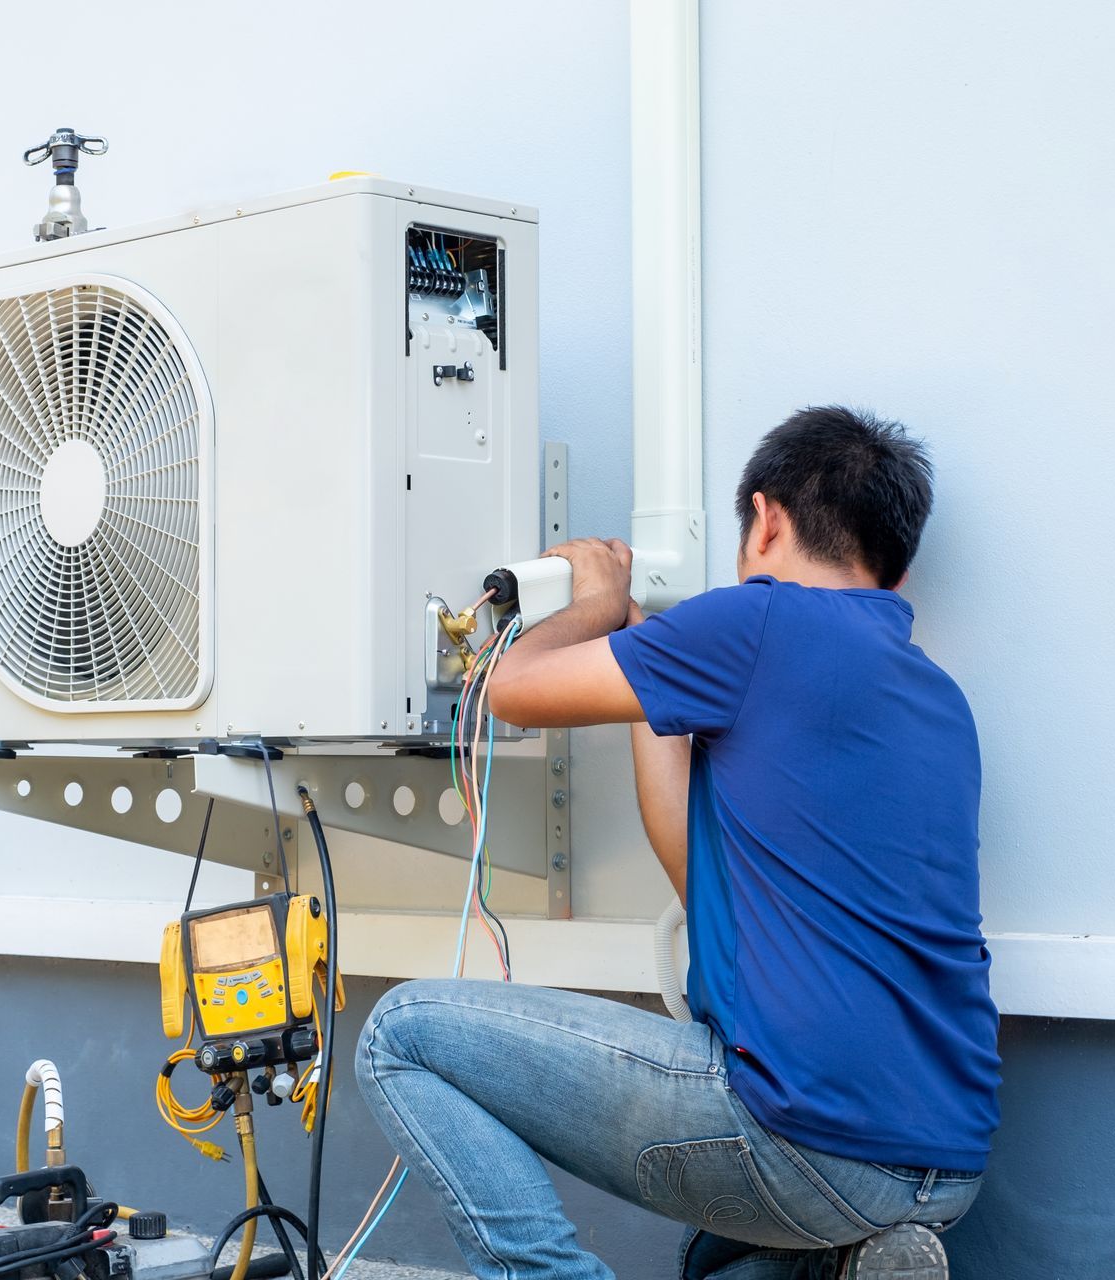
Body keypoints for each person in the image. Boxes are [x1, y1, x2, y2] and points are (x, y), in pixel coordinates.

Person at [355, 407, 1000, 1280]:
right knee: (712, 1263)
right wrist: (642, 658)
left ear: (765, 519)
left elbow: (509, 688)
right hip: (942, 1163)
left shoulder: (756, 624)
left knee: (400, 1033)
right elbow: (701, 875)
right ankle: (856, 1264)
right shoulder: (938, 702)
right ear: (899, 568)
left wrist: (592, 604)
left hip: (800, 1139)